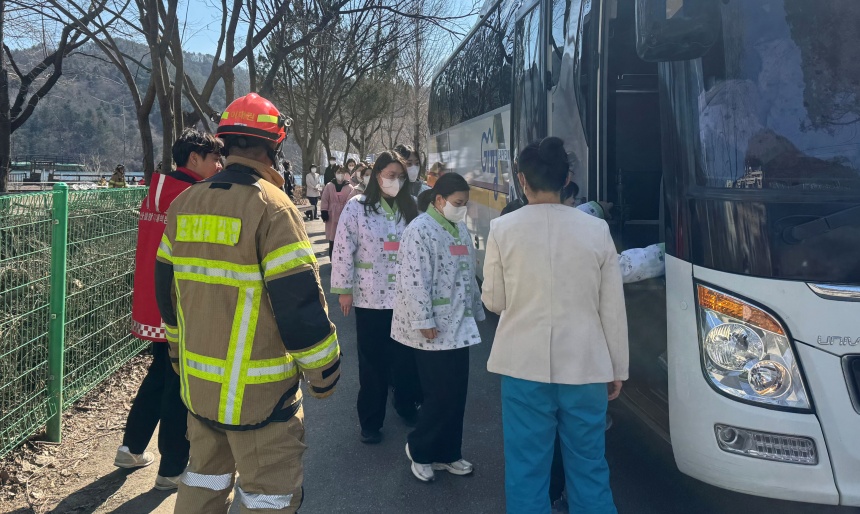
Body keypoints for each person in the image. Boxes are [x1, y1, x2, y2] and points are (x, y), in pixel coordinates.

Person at [154, 93, 341, 514]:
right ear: (274, 146)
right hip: (262, 402)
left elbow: (166, 292)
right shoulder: (274, 209)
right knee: (268, 499)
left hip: (200, 391)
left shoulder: (183, 205)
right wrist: (324, 374)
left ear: (223, 142)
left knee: (202, 482)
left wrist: (177, 357)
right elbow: (299, 305)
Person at [482, 137, 627, 514]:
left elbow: (494, 301)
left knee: (527, 470)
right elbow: (611, 308)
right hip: (586, 365)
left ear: (522, 180)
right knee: (589, 466)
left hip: (523, 366)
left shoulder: (502, 230)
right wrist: (616, 367)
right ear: (567, 180)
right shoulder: (596, 231)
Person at [118, 128, 224, 491]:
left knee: (161, 373)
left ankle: (131, 447)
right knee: (179, 384)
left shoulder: (156, 191)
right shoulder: (195, 196)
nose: (219, 165)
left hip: (149, 302)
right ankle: (172, 467)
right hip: (178, 304)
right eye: (214, 158)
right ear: (194, 158)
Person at [392, 173, 483, 482]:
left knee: (457, 394)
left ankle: (448, 453)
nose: (462, 209)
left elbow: (468, 274)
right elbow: (412, 280)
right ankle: (419, 449)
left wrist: (476, 309)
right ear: (439, 200)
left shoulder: (458, 230)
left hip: (459, 325)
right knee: (438, 395)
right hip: (431, 328)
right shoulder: (419, 230)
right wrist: (423, 320)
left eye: (465, 204)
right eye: (458, 203)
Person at [331, 151, 423, 444]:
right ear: (377, 175)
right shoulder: (357, 208)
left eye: (400, 176)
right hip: (370, 298)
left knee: (406, 359)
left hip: (405, 298)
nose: (394, 181)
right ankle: (370, 421)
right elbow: (344, 249)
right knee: (372, 363)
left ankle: (407, 405)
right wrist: (344, 290)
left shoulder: (411, 207)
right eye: (389, 175)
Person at [320, 166, 354, 258]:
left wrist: (350, 213)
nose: (340, 174)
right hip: (332, 214)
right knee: (333, 236)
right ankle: (332, 257)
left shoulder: (349, 187)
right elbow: (324, 199)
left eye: (342, 172)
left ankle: (343, 257)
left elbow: (351, 201)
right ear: (335, 173)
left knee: (344, 236)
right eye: (338, 172)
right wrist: (324, 211)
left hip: (344, 213)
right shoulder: (329, 185)